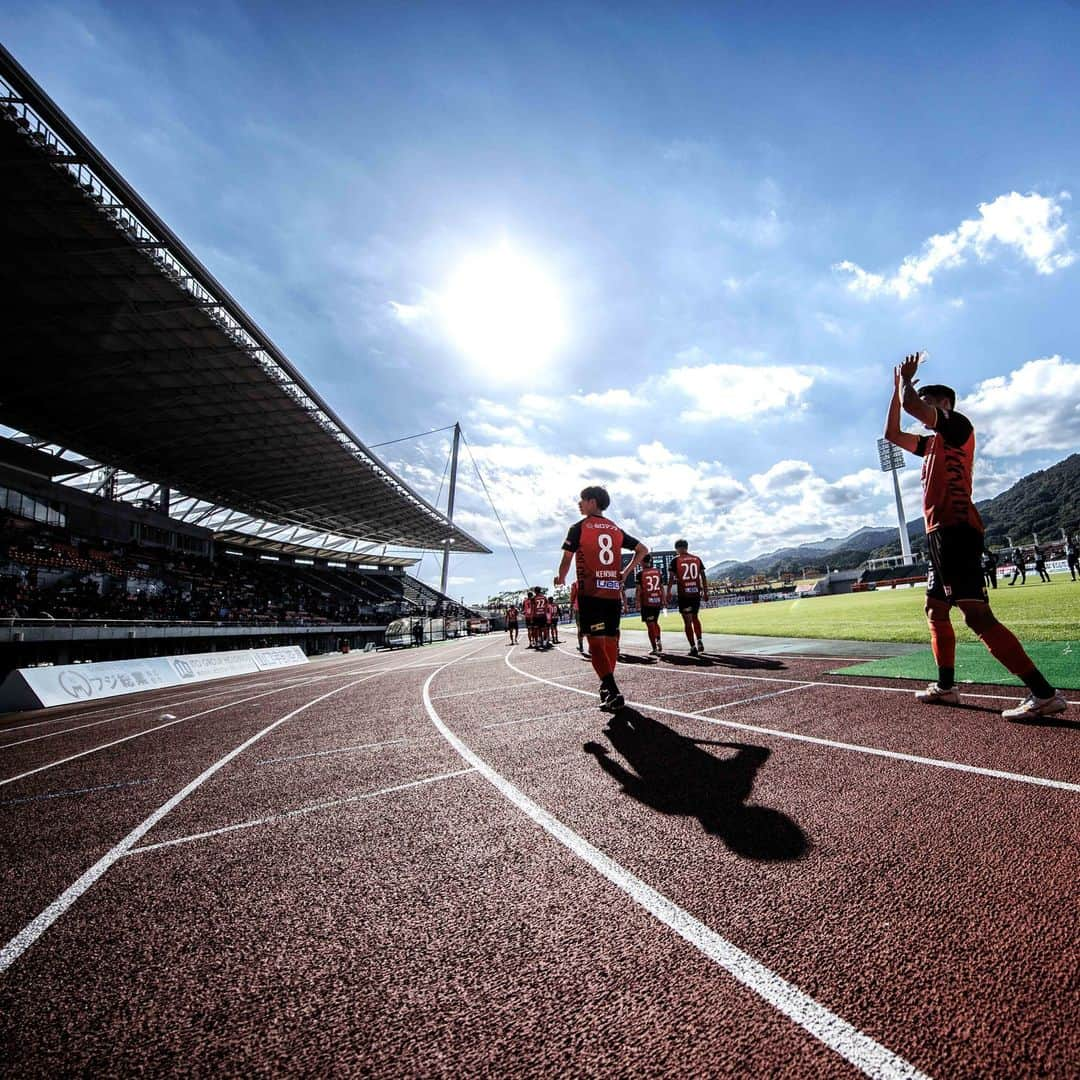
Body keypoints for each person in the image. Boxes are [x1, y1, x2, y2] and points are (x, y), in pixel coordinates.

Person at [884, 354, 1067, 719]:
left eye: (931, 401)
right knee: (935, 610)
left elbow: (911, 404)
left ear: (945, 404)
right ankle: (947, 687)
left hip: (956, 530)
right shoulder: (931, 444)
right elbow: (891, 434)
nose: (924, 406)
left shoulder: (956, 426)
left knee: (976, 616)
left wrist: (906, 382)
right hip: (939, 534)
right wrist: (895, 389)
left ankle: (1044, 694)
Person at [555, 485, 648, 713]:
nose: (579, 504)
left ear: (593, 502)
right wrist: (625, 573)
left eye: (582, 500)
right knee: (609, 643)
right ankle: (607, 687)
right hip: (612, 593)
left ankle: (612, 690)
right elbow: (643, 549)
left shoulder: (578, 528)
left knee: (596, 643)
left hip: (591, 594)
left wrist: (561, 577)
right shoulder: (615, 529)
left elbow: (567, 557)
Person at [667, 539, 709, 657]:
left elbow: (671, 578)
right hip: (695, 593)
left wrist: (668, 592)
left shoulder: (675, 560)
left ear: (677, 549)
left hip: (684, 594)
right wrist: (706, 592)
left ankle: (692, 647)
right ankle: (699, 640)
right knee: (695, 617)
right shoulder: (697, 559)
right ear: (687, 547)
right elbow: (703, 576)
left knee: (687, 621)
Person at [637, 554, 665, 655]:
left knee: (650, 625)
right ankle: (658, 640)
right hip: (657, 601)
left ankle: (654, 648)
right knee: (655, 622)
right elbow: (661, 587)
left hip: (647, 602)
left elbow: (639, 590)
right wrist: (664, 600)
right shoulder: (658, 572)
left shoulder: (640, 574)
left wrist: (637, 602)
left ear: (642, 562)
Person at [570, 579, 588, 658]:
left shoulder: (575, 583)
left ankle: (581, 646)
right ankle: (592, 647)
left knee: (580, 628)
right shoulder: (590, 580)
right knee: (591, 626)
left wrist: (571, 604)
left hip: (578, 608)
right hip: (589, 606)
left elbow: (573, 595)